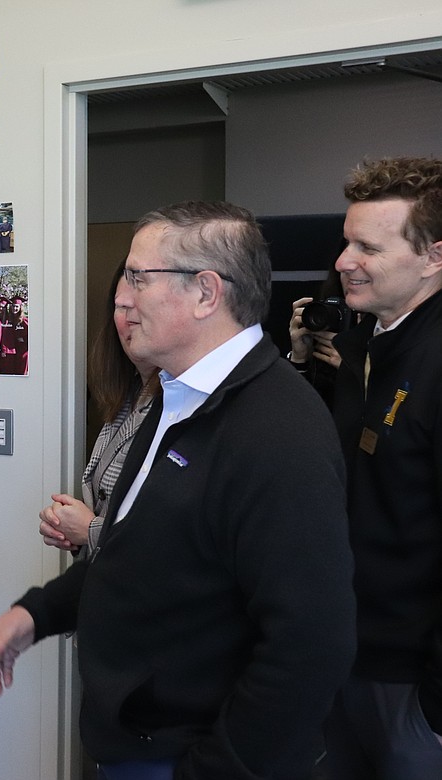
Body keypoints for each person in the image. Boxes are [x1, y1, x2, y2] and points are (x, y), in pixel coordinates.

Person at [0, 201, 355, 779]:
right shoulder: (174, 401)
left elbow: (310, 645)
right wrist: (37, 612)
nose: (120, 298)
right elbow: (137, 551)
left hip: (188, 757)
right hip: (138, 746)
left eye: (137, 278)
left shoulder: (279, 430)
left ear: (206, 293)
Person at [287, 157, 442, 778]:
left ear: (433, 257)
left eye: (367, 247)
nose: (344, 260)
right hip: (346, 658)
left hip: (414, 690)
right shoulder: (365, 347)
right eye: (346, 241)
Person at [41, 269, 158, 558]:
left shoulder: (181, 406)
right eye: (122, 306)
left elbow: (172, 537)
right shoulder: (126, 397)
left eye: (140, 304)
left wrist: (90, 530)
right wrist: (66, 526)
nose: (130, 316)